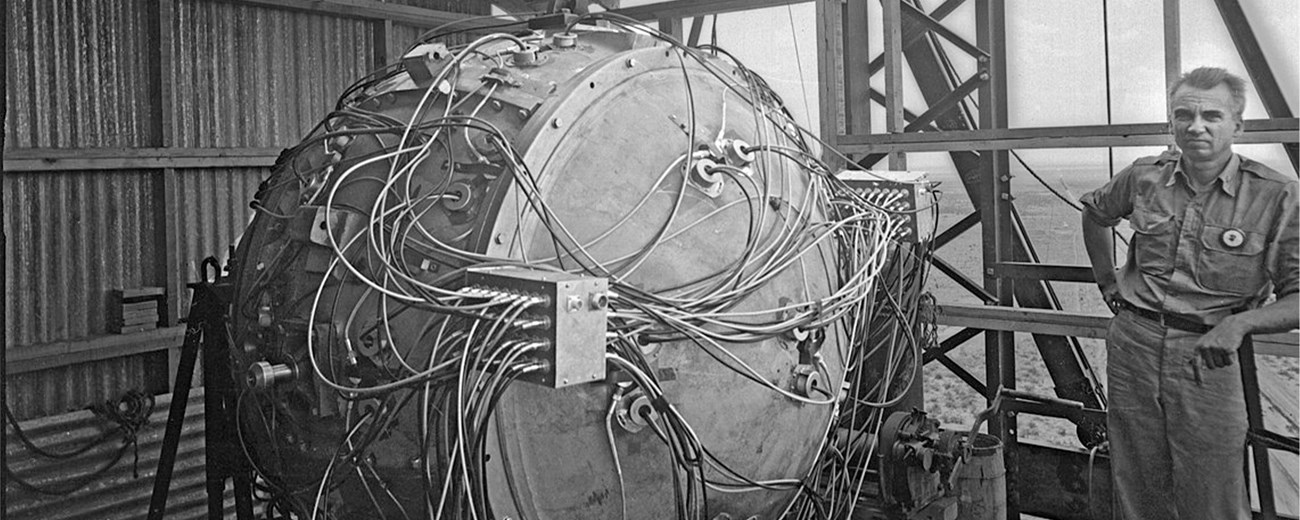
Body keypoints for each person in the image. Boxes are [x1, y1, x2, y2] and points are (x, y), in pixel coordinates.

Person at [1079, 66, 1299, 520]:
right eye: (1184, 115)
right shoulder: (1145, 176)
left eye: (1212, 116)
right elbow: (1096, 213)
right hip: (1134, 347)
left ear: (1238, 125)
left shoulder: (1277, 196)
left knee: (1212, 495)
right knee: (1137, 485)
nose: (1196, 126)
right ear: (1172, 122)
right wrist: (1107, 280)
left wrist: (1240, 324)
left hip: (1208, 358)